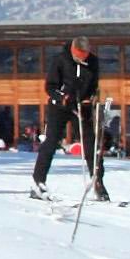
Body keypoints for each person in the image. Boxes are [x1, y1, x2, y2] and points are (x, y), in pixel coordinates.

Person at [33, 38, 101, 199]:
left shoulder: (93, 62)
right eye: (80, 55)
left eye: (85, 55)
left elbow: (94, 86)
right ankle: (38, 181)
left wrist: (91, 97)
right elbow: (50, 86)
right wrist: (61, 96)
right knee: (51, 141)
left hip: (81, 107)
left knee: (91, 144)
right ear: (73, 50)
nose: (83, 59)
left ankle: (98, 181)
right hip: (60, 107)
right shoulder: (60, 60)